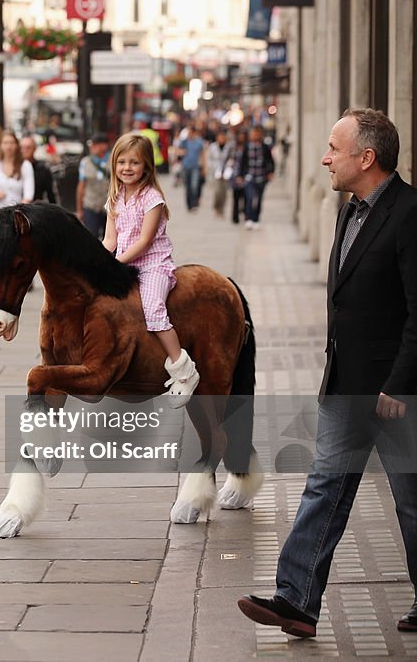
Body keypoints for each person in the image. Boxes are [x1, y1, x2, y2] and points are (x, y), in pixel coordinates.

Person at [239, 109, 417, 638]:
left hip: (394, 394)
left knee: (411, 503)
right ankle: (296, 601)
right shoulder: (349, 211)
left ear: (367, 157)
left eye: (334, 149)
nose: (324, 159)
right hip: (346, 384)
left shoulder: (409, 214)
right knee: (324, 488)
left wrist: (398, 386)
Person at [101, 133, 199, 407]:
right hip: (123, 264)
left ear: (146, 166)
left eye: (134, 162)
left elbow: (144, 242)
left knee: (153, 309)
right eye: (122, 162)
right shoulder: (115, 198)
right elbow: (110, 240)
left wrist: (116, 264)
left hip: (152, 265)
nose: (127, 168)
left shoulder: (152, 198)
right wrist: (96, 262)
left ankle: (182, 369)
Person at [235, 125, 275, 230]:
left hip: (261, 176)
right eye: (253, 133)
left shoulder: (264, 146)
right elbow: (242, 162)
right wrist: (239, 175)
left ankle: (256, 218)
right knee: (250, 198)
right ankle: (249, 218)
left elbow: (270, 160)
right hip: (249, 177)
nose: (255, 135)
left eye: (257, 133)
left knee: (259, 199)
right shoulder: (247, 147)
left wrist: (270, 172)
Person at [76, 132, 110, 239]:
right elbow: (81, 186)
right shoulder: (85, 162)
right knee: (91, 239)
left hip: (109, 209)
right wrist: (79, 210)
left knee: (110, 241)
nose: (92, 147)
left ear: (104, 145)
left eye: (95, 144)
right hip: (90, 206)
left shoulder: (113, 160)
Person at [19, 135, 56, 203]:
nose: (24, 150)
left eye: (28, 147)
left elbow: (51, 194)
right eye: (22, 147)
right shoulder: (14, 167)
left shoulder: (43, 169)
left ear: (34, 148)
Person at [205, 129, 233, 218]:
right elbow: (209, 159)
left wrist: (228, 169)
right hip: (215, 172)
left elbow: (231, 159)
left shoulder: (229, 147)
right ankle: (216, 208)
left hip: (225, 173)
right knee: (217, 191)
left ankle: (222, 209)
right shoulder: (213, 147)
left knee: (224, 192)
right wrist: (211, 168)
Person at [178, 125, 205, 211]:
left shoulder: (199, 142)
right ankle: (189, 204)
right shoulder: (184, 142)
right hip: (186, 166)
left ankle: (194, 204)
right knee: (187, 186)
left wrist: (204, 166)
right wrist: (181, 152)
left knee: (194, 185)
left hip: (195, 167)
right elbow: (178, 151)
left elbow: (202, 154)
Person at [229, 129, 248, 224]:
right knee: (236, 197)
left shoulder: (247, 147)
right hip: (235, 175)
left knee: (245, 196)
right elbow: (228, 158)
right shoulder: (233, 147)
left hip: (245, 175)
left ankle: (245, 213)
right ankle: (235, 216)